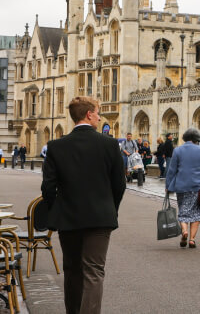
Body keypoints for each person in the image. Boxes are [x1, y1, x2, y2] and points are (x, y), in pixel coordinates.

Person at [41, 96, 126, 314]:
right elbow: (119, 185)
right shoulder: (109, 144)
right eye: (97, 113)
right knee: (94, 271)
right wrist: (110, 208)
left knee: (72, 270)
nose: (99, 117)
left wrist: (57, 210)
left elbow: (48, 188)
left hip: (68, 218)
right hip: (100, 217)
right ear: (89, 114)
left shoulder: (56, 146)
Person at [165, 127, 200, 249]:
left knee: (183, 210)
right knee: (197, 212)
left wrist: (168, 185)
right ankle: (192, 239)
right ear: (196, 138)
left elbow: (171, 170)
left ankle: (184, 231)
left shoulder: (177, 150)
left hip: (182, 185)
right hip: (198, 186)